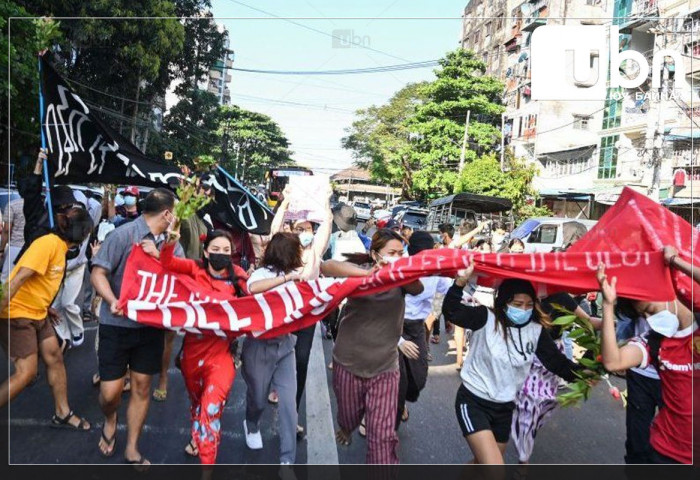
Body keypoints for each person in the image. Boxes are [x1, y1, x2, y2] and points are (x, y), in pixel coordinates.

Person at [442, 266, 582, 464]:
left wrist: (587, 372)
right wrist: (459, 284)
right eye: (518, 304)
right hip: (474, 401)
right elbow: (452, 312)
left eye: (528, 304)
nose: (524, 309)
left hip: (505, 407)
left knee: (482, 464)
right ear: (504, 303)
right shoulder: (486, 318)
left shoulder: (536, 330)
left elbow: (558, 364)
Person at [91, 188, 184, 465]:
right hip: (116, 325)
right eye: (175, 212)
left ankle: (132, 446)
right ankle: (110, 419)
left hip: (150, 328)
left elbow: (180, 276)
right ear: (167, 214)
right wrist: (112, 300)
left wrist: (160, 256)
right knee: (110, 394)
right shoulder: (122, 235)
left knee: (142, 386)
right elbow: (98, 272)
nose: (176, 217)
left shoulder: (171, 244)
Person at [142, 229, 248, 466]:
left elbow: (256, 292)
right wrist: (167, 246)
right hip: (192, 354)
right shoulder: (194, 269)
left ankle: (206, 466)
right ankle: (196, 435)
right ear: (206, 251)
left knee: (211, 408)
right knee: (198, 403)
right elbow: (169, 263)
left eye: (227, 251)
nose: (221, 255)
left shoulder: (237, 275)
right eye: (216, 250)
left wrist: (284, 280)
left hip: (221, 354)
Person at [330, 229, 423, 464]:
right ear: (375, 254)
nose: (397, 257)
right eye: (392, 253)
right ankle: (346, 427)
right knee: (348, 417)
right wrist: (368, 275)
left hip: (385, 368)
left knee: (382, 437)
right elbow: (327, 267)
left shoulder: (402, 280)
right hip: (349, 364)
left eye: (401, 253)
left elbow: (418, 288)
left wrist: (401, 269)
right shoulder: (357, 274)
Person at [0, 206, 93, 432]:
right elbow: (19, 278)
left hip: (38, 313)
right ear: (81, 234)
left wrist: (46, 306)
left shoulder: (59, 248)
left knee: (55, 357)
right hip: (17, 315)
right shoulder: (47, 244)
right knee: (27, 373)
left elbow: (42, 281)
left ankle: (63, 413)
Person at [596, 264, 693, 464]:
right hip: (667, 455)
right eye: (644, 316)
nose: (649, 320)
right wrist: (607, 305)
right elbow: (613, 361)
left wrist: (676, 262)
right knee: (637, 442)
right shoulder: (654, 342)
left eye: (650, 310)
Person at [510, 291, 601, 463]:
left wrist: (609, 324)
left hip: (550, 357)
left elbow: (587, 322)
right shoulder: (522, 293)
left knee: (544, 402)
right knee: (527, 404)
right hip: (526, 356)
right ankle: (523, 455)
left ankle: (527, 428)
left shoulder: (561, 298)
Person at [242, 232, 305, 464]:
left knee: (289, 406)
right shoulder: (262, 274)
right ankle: (251, 424)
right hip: (259, 347)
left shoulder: (298, 276)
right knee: (257, 400)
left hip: (285, 346)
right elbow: (252, 288)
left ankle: (287, 460)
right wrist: (285, 279)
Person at [396, 231, 452, 426]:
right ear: (412, 254)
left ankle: (399, 401)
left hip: (417, 328)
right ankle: (385, 415)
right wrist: (398, 340)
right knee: (397, 379)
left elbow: (450, 289)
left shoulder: (435, 270)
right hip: (395, 326)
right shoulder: (400, 268)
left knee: (419, 376)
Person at [1, 195, 25, 283]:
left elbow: (6, 230)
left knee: (6, 279)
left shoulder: (12, 205)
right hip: (33, 247)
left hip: (15, 247)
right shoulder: (39, 206)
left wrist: (1, 249)